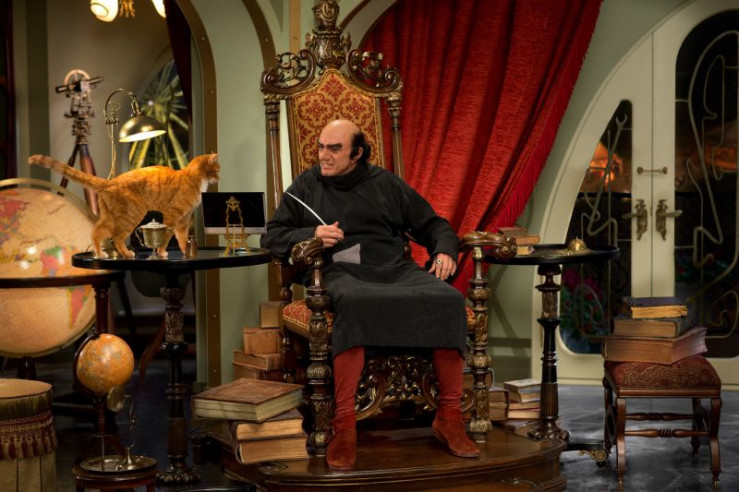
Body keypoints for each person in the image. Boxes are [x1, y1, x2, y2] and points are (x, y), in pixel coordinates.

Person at [261, 119, 478, 470]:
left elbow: (434, 224)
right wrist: (311, 233)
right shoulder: (305, 186)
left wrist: (444, 250)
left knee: (449, 299)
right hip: (342, 272)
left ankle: (450, 418)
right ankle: (344, 425)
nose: (323, 155)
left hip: (396, 270)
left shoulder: (385, 183)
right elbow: (272, 236)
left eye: (334, 148)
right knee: (356, 301)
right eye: (320, 147)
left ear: (357, 153)